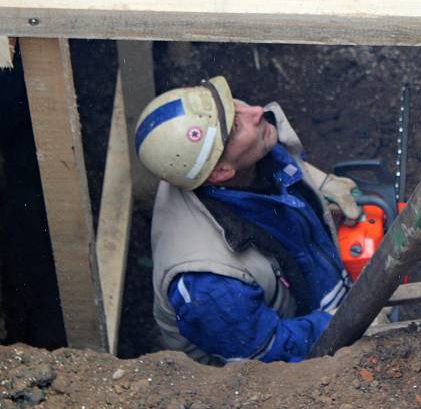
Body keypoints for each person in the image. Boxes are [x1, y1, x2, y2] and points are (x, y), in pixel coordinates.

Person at [135, 76, 361, 365]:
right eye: (237, 125)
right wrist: (351, 323)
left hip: (307, 292)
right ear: (220, 173)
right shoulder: (210, 286)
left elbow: (274, 161)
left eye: (234, 105)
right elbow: (271, 350)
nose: (256, 110)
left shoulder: (199, 161)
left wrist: (318, 183)